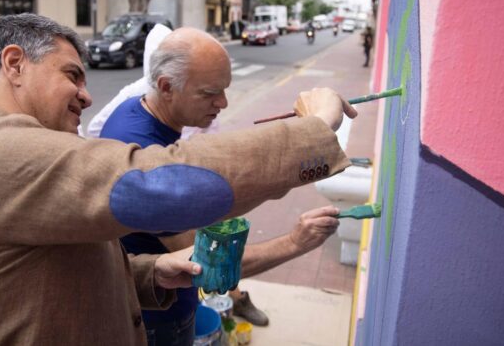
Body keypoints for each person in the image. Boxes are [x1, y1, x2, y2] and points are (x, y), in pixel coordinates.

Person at [0, 13, 356, 345]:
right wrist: (312, 131)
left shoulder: (13, 156)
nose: (87, 96)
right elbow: (164, 187)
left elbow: (45, 273)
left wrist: (149, 273)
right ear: (14, 65)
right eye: (72, 74)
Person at [96, 27, 346, 345]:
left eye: (225, 89)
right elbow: (206, 260)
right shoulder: (142, 147)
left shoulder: (140, 108)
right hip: (158, 318)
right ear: (166, 87)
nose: (224, 102)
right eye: (210, 93)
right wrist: (295, 242)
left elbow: (215, 172)